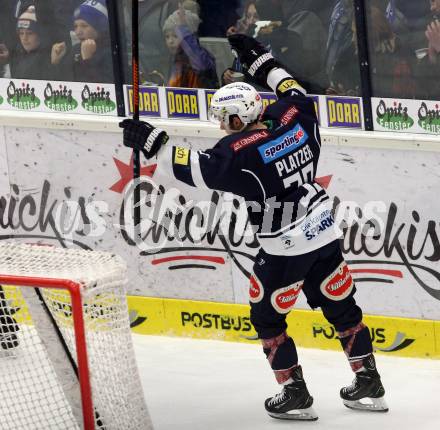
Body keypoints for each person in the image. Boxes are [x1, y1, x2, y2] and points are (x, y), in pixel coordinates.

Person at [120, 34, 388, 420]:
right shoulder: (295, 116)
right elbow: (291, 88)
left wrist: (153, 142)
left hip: (284, 249)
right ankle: (369, 382)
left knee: (266, 316)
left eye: (223, 120)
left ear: (235, 119)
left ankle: (294, 392)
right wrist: (261, 60)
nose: (220, 128)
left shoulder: (239, 153)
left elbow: (194, 169)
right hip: (324, 233)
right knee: (340, 304)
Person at [51, 0, 113, 83]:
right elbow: (62, 85)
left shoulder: (111, 52)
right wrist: (56, 62)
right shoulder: (76, 49)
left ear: (100, 27)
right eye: (75, 26)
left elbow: (105, 89)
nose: (78, 32)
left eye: (84, 26)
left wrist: (88, 60)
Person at [162, 2, 218, 88]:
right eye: (167, 37)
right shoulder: (173, 61)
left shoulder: (202, 57)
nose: (170, 41)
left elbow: (200, 64)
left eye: (175, 36)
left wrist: (183, 28)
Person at [7, 5, 53, 80]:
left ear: (41, 34)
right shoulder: (15, 56)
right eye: (21, 33)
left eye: (30, 33)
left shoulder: (50, 59)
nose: (24, 38)